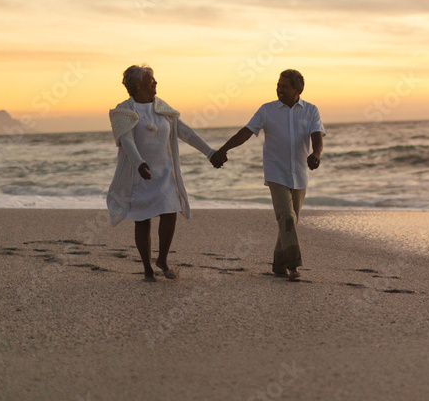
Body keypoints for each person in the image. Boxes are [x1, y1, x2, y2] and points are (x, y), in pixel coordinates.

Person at [107, 65, 226, 281]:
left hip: (164, 174)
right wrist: (139, 163)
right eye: (151, 80)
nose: (155, 83)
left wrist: (210, 152)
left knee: (170, 212)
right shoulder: (123, 110)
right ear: (138, 84)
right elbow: (126, 140)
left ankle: (162, 259)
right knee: (143, 221)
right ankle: (147, 268)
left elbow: (186, 132)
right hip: (139, 174)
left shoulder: (162, 109)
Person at [214, 69, 324, 281]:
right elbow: (245, 132)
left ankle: (278, 265)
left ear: (298, 89)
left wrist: (316, 154)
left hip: (300, 174)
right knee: (287, 218)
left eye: (284, 86)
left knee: (290, 220)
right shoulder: (267, 110)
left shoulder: (311, 110)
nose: (279, 89)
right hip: (276, 172)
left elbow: (317, 136)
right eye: (278, 85)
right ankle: (293, 266)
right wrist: (223, 149)